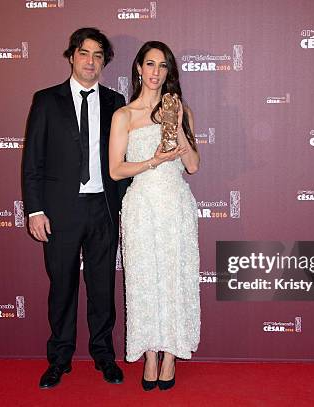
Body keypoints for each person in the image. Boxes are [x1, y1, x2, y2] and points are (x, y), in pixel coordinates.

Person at [22, 27, 127, 389]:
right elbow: (32, 161)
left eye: (99, 56)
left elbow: (124, 161)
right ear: (72, 56)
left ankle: (103, 355)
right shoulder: (47, 100)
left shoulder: (116, 102)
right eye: (85, 53)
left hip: (103, 209)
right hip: (60, 212)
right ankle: (60, 358)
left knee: (102, 288)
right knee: (62, 287)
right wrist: (35, 210)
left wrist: (127, 208)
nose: (91, 62)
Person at [109, 41, 201, 391]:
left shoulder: (182, 110)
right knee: (144, 280)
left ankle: (172, 353)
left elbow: (192, 165)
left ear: (169, 72)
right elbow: (116, 170)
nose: (155, 72)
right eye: (150, 64)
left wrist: (174, 121)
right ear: (138, 69)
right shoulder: (125, 115)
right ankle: (149, 354)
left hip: (175, 205)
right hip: (141, 206)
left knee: (176, 278)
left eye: (163, 66)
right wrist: (154, 161)